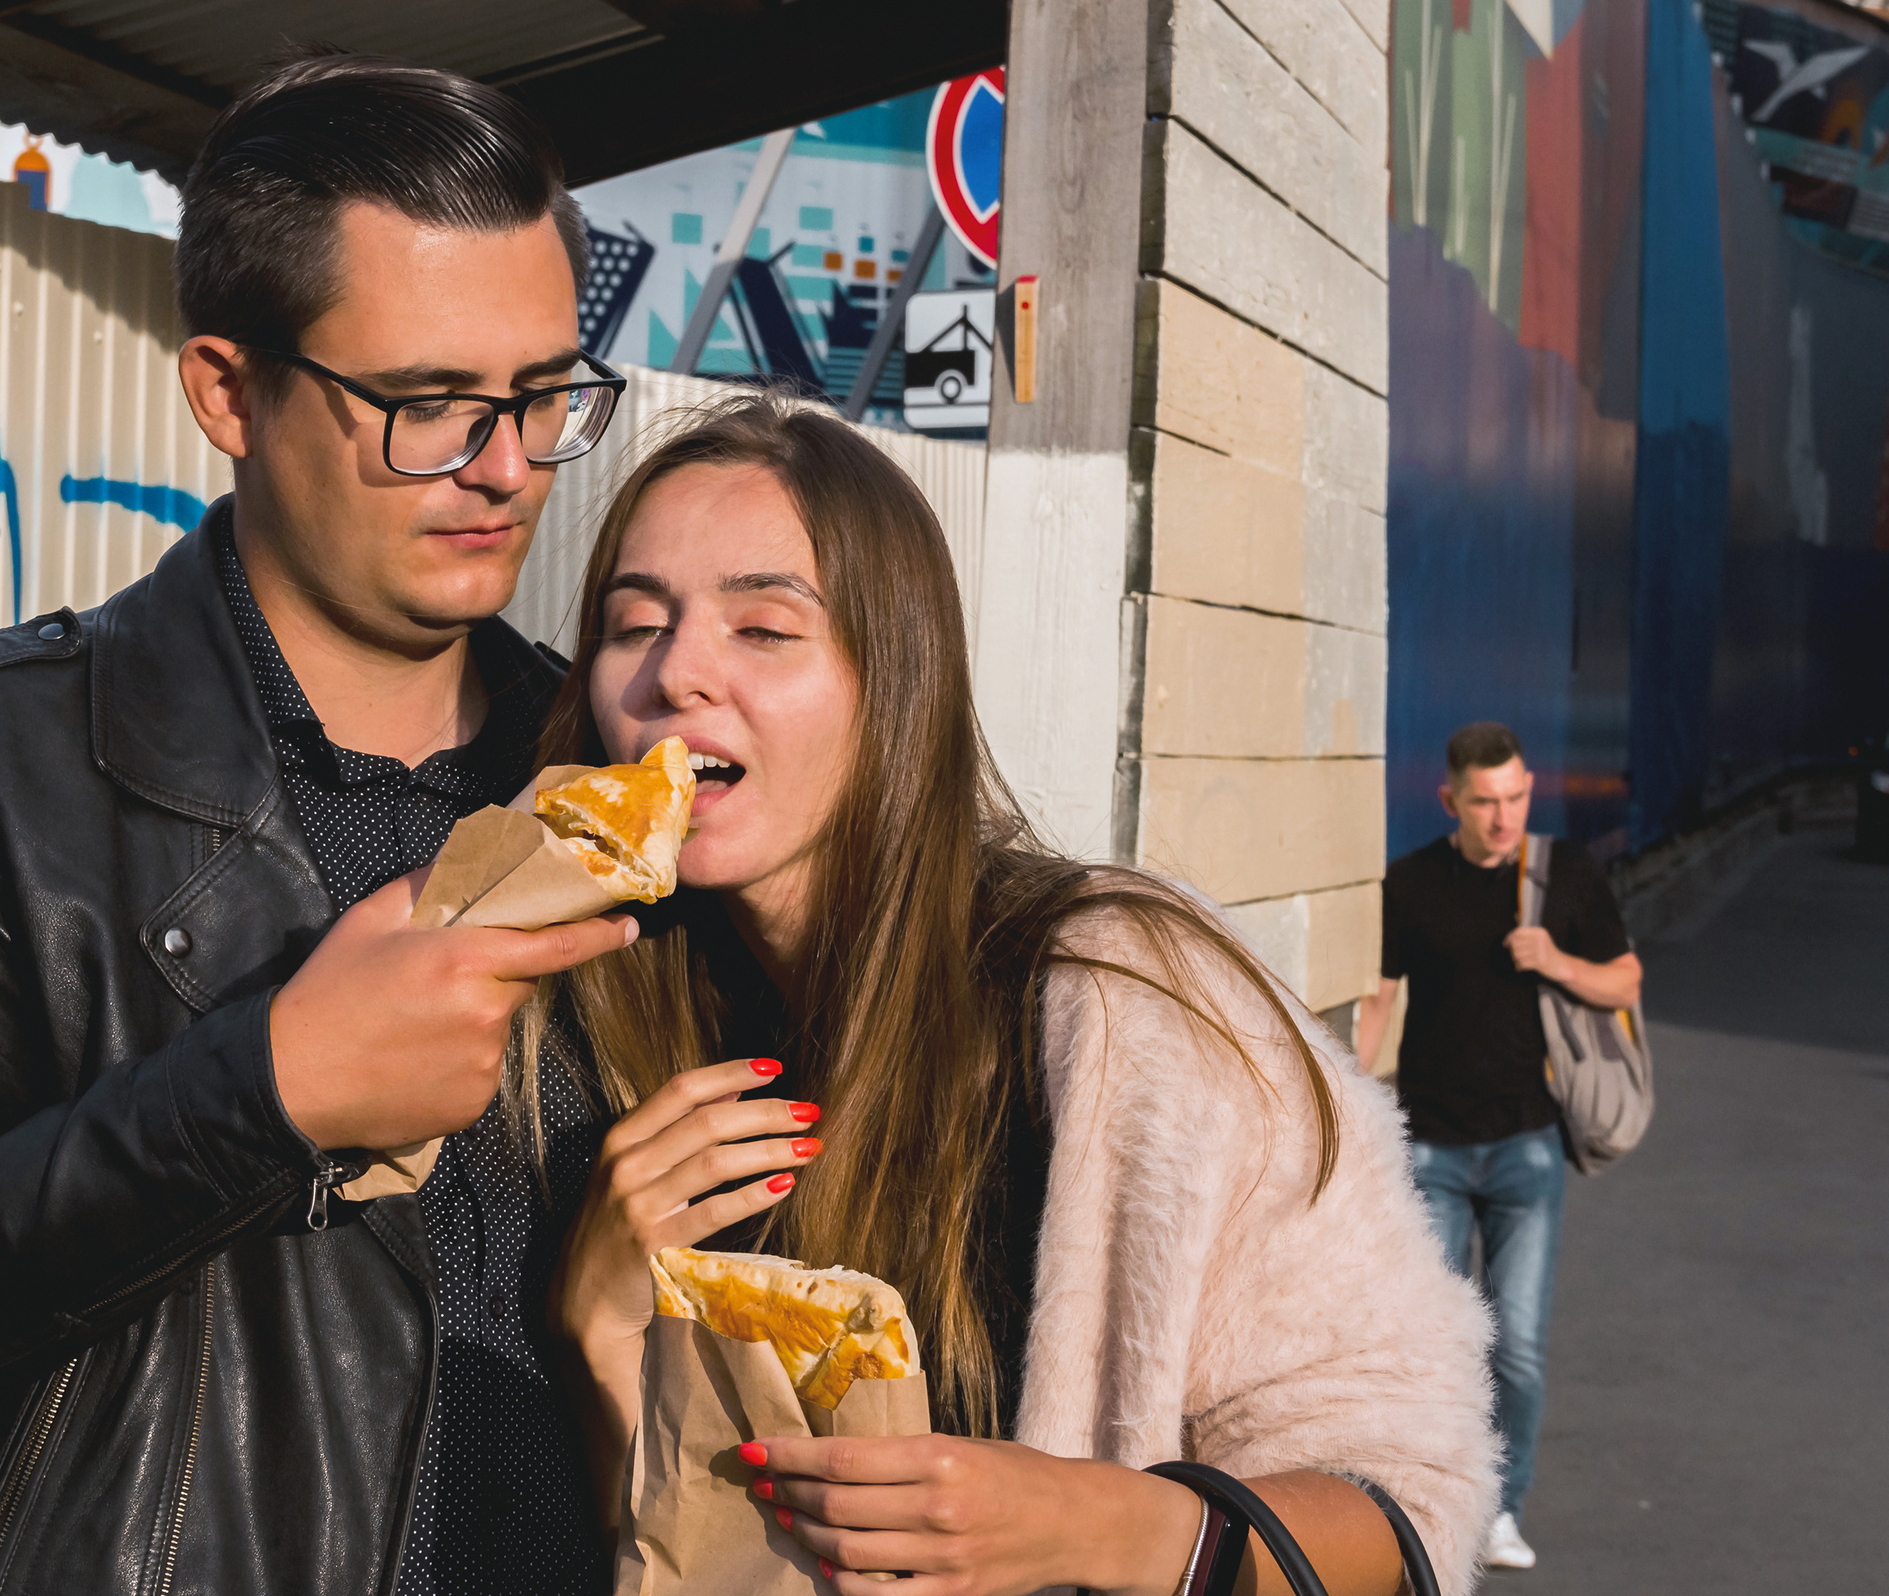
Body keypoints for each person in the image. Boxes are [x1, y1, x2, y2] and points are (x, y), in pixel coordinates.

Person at [0, 54, 641, 1595]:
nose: (504, 466)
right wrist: (262, 1093)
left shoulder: (611, 773)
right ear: (228, 389)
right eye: (427, 404)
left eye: (544, 394)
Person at [543, 400, 1500, 1595]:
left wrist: (1089, 1521)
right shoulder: (602, 1013)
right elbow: (673, 1558)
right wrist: (599, 1334)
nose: (675, 671)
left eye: (764, 626)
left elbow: (1406, 1500)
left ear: (895, 680)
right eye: (635, 623)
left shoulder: (1129, 1001)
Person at [1357, 723, 1642, 1571]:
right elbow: (1376, 1003)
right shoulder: (1408, 884)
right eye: (1485, 801)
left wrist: (1556, 958)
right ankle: (1430, 1508)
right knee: (1434, 1345)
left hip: (1527, 1147)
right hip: (1433, 1151)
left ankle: (1501, 1511)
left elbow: (1625, 979)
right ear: (1451, 801)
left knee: (1516, 1342)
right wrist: (1344, 1102)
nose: (1503, 816)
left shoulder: (1564, 877)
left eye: (1516, 797)